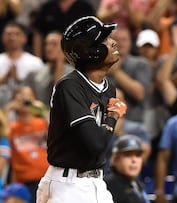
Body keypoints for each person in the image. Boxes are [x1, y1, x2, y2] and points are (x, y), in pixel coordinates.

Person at [36, 16, 127, 203]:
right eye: (105, 39)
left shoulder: (109, 88)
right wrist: (113, 116)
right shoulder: (70, 86)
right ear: (90, 51)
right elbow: (96, 144)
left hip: (96, 182)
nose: (113, 42)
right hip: (67, 184)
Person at [104, 134, 150, 203]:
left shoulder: (135, 182)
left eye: (138, 155)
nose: (134, 160)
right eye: (128, 155)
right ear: (115, 159)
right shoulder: (108, 185)